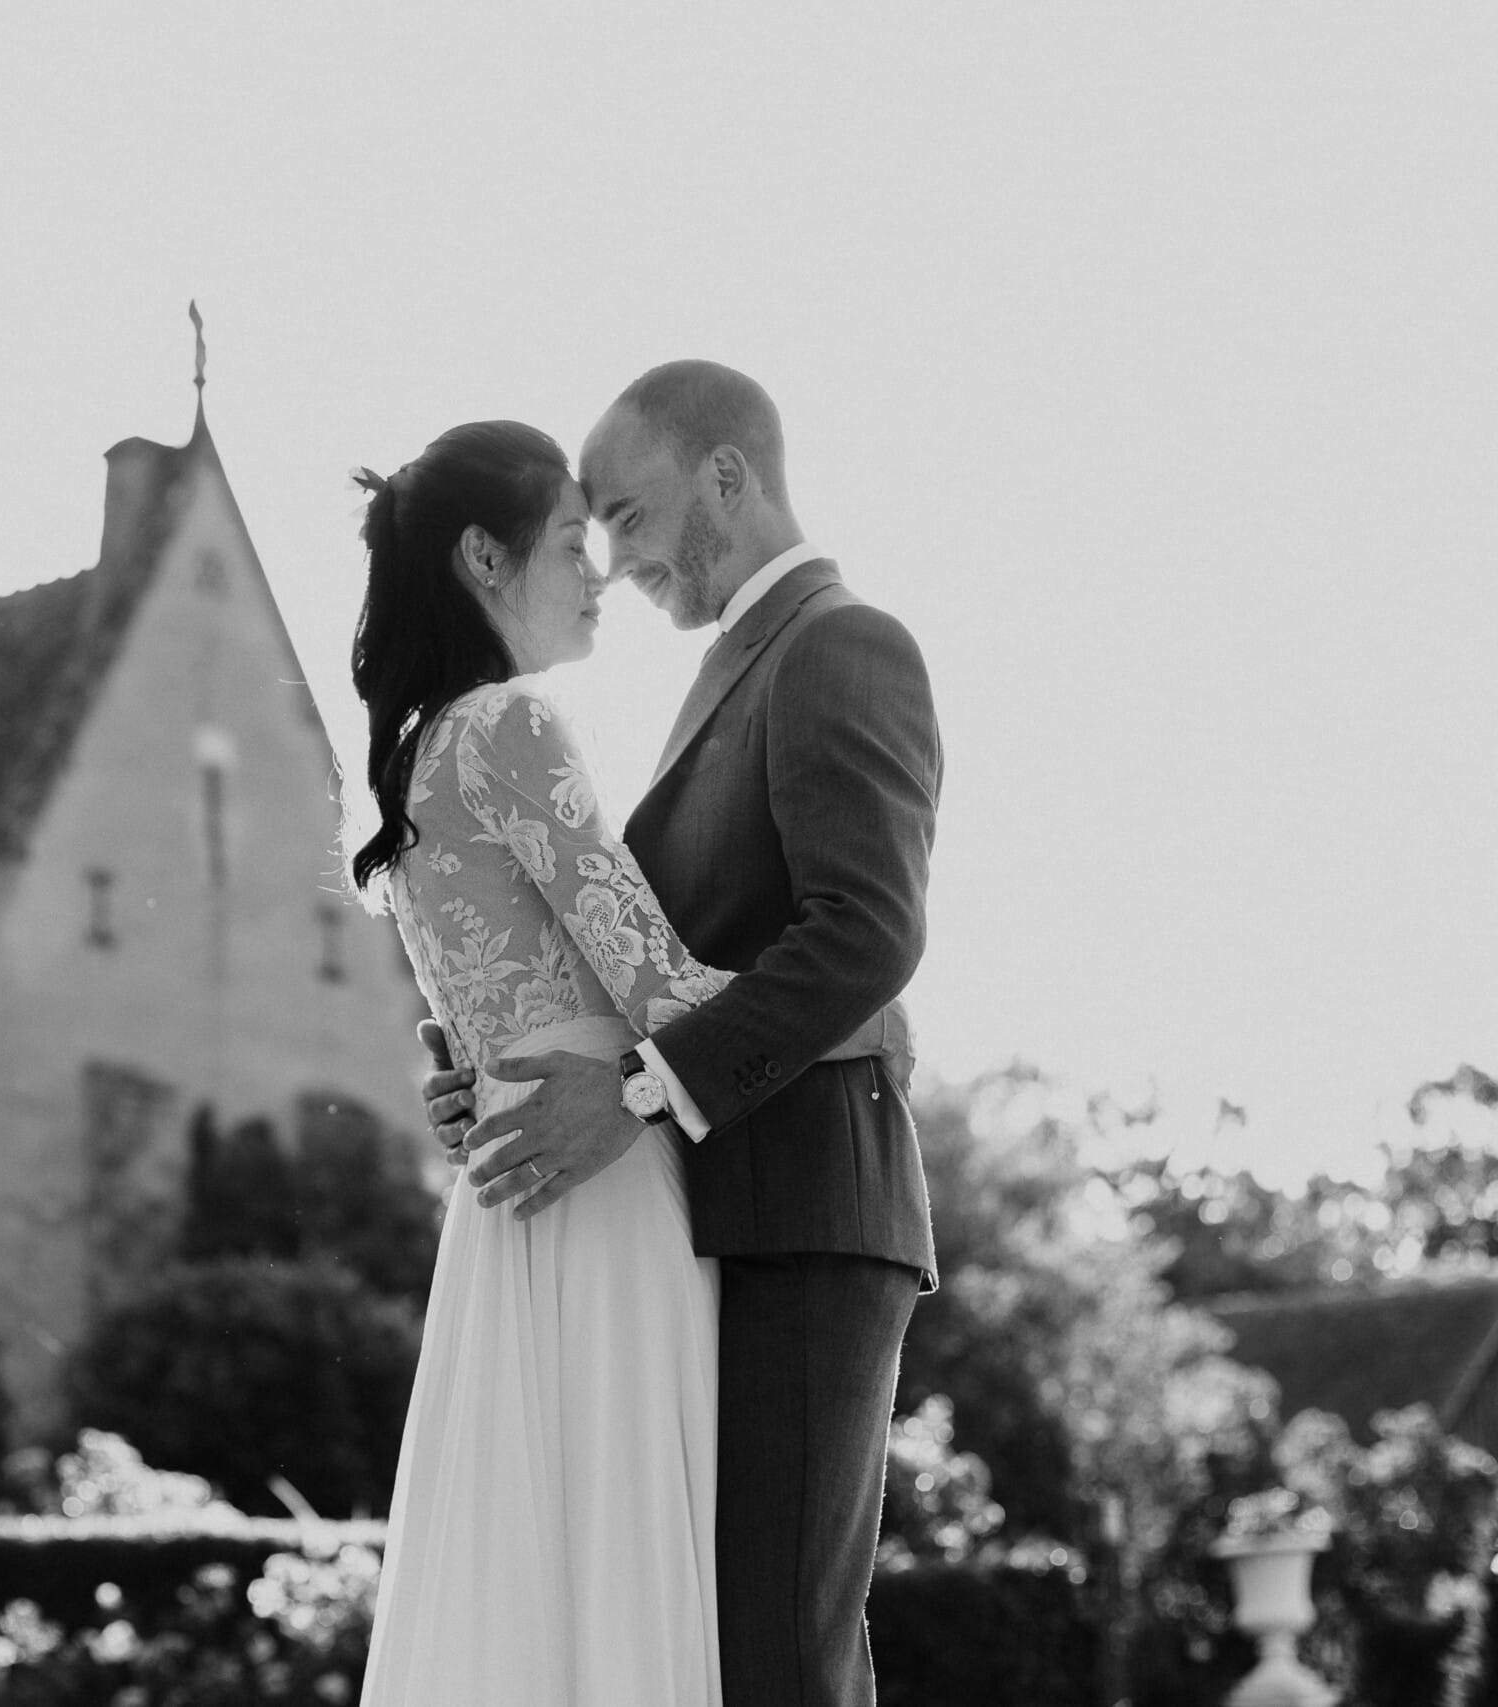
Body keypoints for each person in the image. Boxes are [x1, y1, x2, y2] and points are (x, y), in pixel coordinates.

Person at [425, 360, 941, 1706]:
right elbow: (633, 954)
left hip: (807, 1202)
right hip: (708, 1210)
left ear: (727, 474)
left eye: (630, 515)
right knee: (712, 1650)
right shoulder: (722, 675)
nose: (615, 558)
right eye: (591, 529)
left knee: (778, 1653)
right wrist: (503, 1065)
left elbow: (865, 934)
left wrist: (640, 1091)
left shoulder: (844, 643)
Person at [348, 419, 745, 1705]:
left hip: (507, 1208)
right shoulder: (513, 722)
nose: (599, 575)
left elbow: (489, 1014)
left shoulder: (419, 756)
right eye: (572, 545)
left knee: (528, 1587)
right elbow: (660, 989)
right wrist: (852, 1003)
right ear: (485, 557)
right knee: (620, 1563)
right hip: (601, 1179)